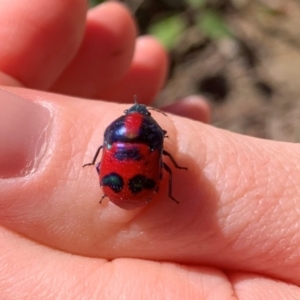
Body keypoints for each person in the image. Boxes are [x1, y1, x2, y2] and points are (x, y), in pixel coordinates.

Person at [0, 1, 299, 299]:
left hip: (116, 187)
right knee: (168, 166)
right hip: (135, 187)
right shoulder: (153, 138)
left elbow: (100, 156)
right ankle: (160, 192)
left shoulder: (113, 136)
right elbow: (163, 158)